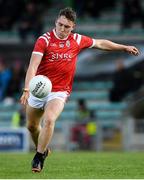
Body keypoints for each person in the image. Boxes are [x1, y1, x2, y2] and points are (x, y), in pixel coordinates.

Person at [20, 7, 140, 173]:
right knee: (32, 126)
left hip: (59, 91)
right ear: (56, 22)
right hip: (39, 89)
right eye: (60, 25)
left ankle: (39, 157)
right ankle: (43, 149)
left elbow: (100, 43)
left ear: (73, 27)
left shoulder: (77, 40)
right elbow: (33, 66)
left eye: (67, 27)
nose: (62, 29)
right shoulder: (44, 40)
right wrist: (27, 88)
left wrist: (123, 47)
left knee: (49, 120)